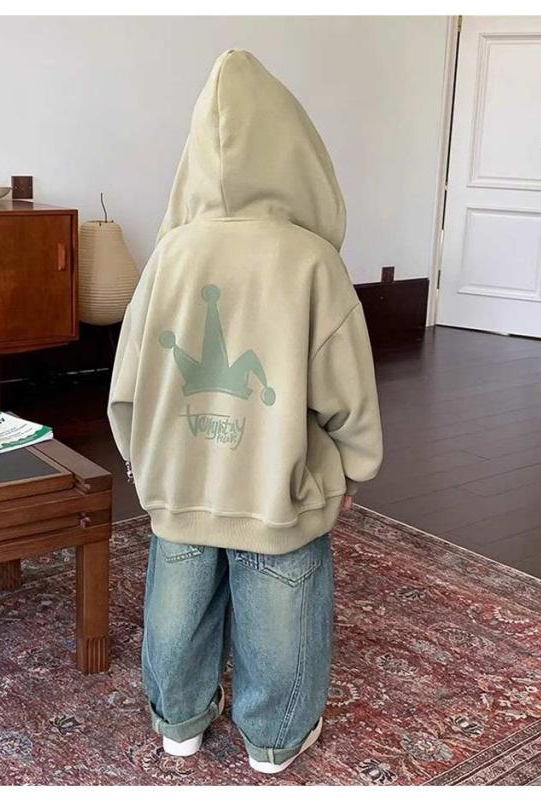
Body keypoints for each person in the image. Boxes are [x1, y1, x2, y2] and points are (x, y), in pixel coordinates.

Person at [108, 49, 382, 774]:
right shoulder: (313, 264)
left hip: (182, 480)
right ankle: (274, 738)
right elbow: (347, 389)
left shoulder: (168, 258)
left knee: (177, 601)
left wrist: (140, 456)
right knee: (282, 605)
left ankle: (179, 722)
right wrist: (355, 465)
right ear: (299, 156)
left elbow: (128, 380)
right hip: (274, 484)